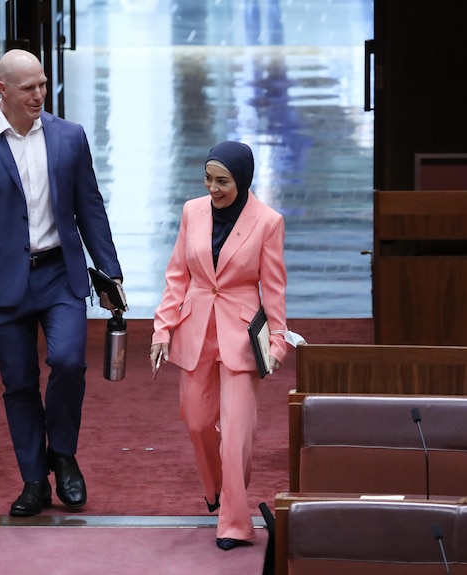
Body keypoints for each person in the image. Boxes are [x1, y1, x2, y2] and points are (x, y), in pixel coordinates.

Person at [0, 49, 123, 517]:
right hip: (2, 283)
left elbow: (90, 208)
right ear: (3, 90)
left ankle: (62, 453)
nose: (40, 94)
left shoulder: (69, 137)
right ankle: (33, 480)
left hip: (61, 273)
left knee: (68, 362)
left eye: (42, 84)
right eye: (29, 88)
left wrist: (111, 271)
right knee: (19, 384)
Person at [150, 141, 288, 550]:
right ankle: (217, 488)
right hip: (194, 331)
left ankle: (233, 522)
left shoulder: (267, 221)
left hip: (242, 337)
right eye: (208, 179)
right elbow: (177, 275)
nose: (213, 188)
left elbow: (275, 287)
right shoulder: (193, 211)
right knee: (195, 422)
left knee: (236, 436)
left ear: (242, 180)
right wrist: (162, 329)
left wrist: (278, 341)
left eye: (223, 181)